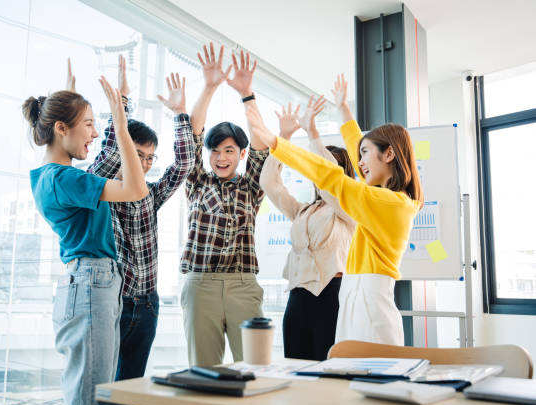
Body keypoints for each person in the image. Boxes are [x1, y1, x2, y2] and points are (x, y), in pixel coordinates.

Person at [244, 73, 424, 346]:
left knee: (370, 379)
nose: (359, 161)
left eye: (365, 154)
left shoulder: (387, 203)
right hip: (355, 294)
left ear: (389, 155)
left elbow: (333, 177)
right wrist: (343, 110)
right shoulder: (379, 198)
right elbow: (354, 156)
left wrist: (278, 143)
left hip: (367, 299)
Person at [25, 75, 148, 405]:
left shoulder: (47, 176)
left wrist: (69, 92)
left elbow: (95, 163)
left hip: (88, 281)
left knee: (91, 390)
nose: (95, 133)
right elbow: (137, 190)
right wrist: (122, 129)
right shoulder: (66, 178)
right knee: (92, 396)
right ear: (61, 128)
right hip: (92, 282)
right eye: (90, 125)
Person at [85, 55, 195, 380]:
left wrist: (180, 115)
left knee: (131, 389)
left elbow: (183, 166)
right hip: (113, 304)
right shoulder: (98, 186)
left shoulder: (150, 193)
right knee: (102, 388)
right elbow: (111, 154)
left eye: (149, 158)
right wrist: (122, 105)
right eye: (138, 155)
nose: (144, 164)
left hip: (148, 305)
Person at [180, 43, 270, 366]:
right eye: (215, 151)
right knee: (203, 373)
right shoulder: (197, 182)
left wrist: (247, 95)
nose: (221, 157)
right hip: (200, 284)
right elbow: (191, 135)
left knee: (255, 369)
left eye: (229, 150)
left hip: (243, 285)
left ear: (241, 154)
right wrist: (209, 88)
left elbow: (262, 146)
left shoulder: (251, 187)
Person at [260, 96, 355, 360]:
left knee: (329, 372)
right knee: (295, 366)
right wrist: (284, 138)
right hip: (297, 297)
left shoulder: (348, 209)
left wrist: (313, 135)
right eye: (314, 170)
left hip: (331, 296)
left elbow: (331, 183)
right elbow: (270, 183)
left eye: (320, 169)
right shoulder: (303, 211)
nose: (316, 175)